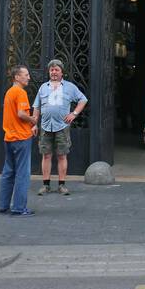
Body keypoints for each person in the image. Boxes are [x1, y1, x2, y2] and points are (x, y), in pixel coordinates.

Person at [32, 59, 87, 196]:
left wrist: (74, 114)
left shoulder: (69, 87)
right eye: (51, 70)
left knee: (62, 155)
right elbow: (36, 106)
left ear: (62, 72)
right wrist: (34, 124)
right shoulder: (43, 87)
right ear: (49, 72)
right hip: (45, 126)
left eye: (56, 70)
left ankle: (62, 185)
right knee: (46, 155)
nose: (54, 72)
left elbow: (83, 99)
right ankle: (46, 185)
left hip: (62, 126)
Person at [0, 64, 36, 216]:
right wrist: (32, 120)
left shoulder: (9, 92)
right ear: (17, 77)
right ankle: (19, 207)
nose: (28, 77)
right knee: (22, 173)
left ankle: (3, 205)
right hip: (21, 137)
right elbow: (21, 114)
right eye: (25, 74)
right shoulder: (20, 92)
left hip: (9, 137)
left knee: (8, 171)